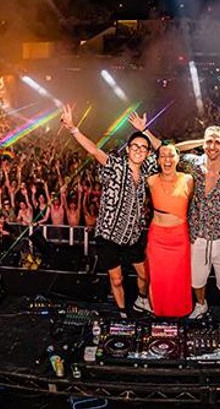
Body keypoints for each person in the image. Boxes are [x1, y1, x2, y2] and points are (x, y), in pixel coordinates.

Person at [60, 104, 156, 316]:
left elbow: (166, 151)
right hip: (109, 236)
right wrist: (73, 129)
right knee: (117, 279)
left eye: (143, 148)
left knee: (145, 275)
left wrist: (144, 130)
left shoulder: (148, 171)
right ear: (128, 149)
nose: (139, 150)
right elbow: (95, 151)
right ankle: (122, 313)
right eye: (135, 146)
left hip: (132, 236)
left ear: (147, 153)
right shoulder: (116, 166)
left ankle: (142, 300)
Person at [178, 126, 220, 320]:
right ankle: (201, 305)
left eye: (217, 142)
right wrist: (199, 142)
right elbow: (173, 150)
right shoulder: (192, 163)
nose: (212, 146)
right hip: (198, 235)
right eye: (209, 141)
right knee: (196, 279)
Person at [145, 144, 194, 317]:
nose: (167, 159)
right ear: (157, 160)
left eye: (171, 155)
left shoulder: (187, 179)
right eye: (163, 156)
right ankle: (158, 315)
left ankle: (180, 315)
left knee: (179, 278)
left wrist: (203, 141)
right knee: (157, 278)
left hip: (179, 237)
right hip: (157, 237)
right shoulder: (151, 180)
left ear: (178, 158)